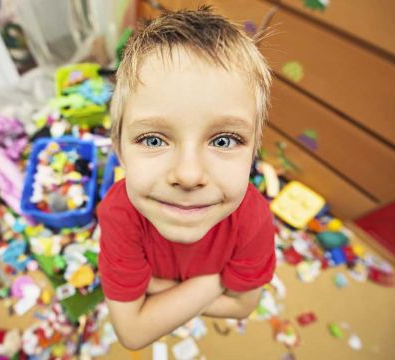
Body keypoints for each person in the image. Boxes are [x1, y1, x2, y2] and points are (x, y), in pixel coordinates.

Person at [97, 5, 275, 350]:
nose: (189, 175)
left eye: (224, 140)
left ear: (253, 151)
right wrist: (216, 283)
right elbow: (132, 333)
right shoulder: (118, 213)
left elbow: (243, 306)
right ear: (118, 149)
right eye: (153, 139)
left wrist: (156, 289)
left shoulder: (254, 218)